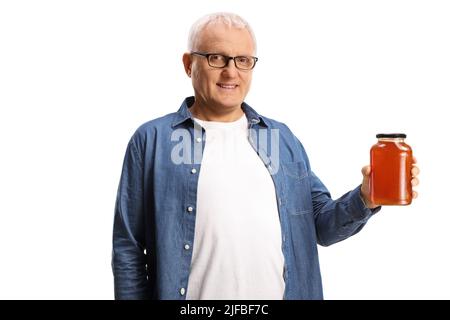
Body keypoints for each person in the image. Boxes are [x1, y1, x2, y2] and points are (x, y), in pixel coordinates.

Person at [112, 12, 420, 300]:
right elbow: (128, 248)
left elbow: (322, 227)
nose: (230, 71)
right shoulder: (153, 140)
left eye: (243, 60)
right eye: (216, 58)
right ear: (188, 64)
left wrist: (366, 197)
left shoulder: (279, 139)